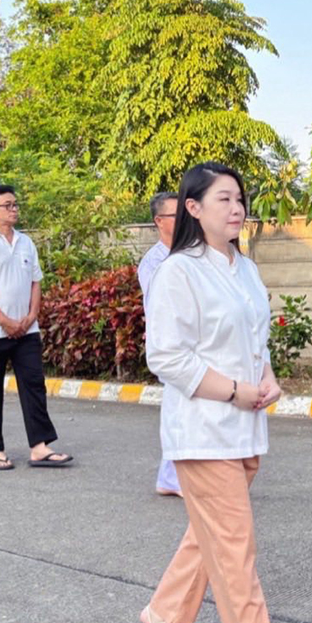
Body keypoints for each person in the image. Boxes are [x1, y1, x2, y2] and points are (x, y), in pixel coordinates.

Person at [134, 162, 312, 623]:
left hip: (245, 427)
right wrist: (236, 391)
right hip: (203, 430)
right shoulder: (178, 271)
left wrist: (266, 378)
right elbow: (166, 356)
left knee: (210, 536)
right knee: (235, 547)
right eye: (224, 198)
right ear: (193, 208)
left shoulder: (245, 268)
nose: (237, 208)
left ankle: (162, 620)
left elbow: (254, 339)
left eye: (240, 198)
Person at [0, 185, 74, 471]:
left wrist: (31, 315)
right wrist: (4, 320)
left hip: (27, 330)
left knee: (34, 386)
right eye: (7, 205)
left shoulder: (25, 242)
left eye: (15, 204)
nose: (14, 209)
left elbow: (36, 282)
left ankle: (40, 447)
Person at [137, 191, 182, 498]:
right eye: (176, 216)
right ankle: (173, 479)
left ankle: (170, 477)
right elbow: (160, 309)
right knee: (178, 410)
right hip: (171, 346)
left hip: (191, 345)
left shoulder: (190, 252)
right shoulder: (154, 262)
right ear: (159, 221)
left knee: (182, 411)